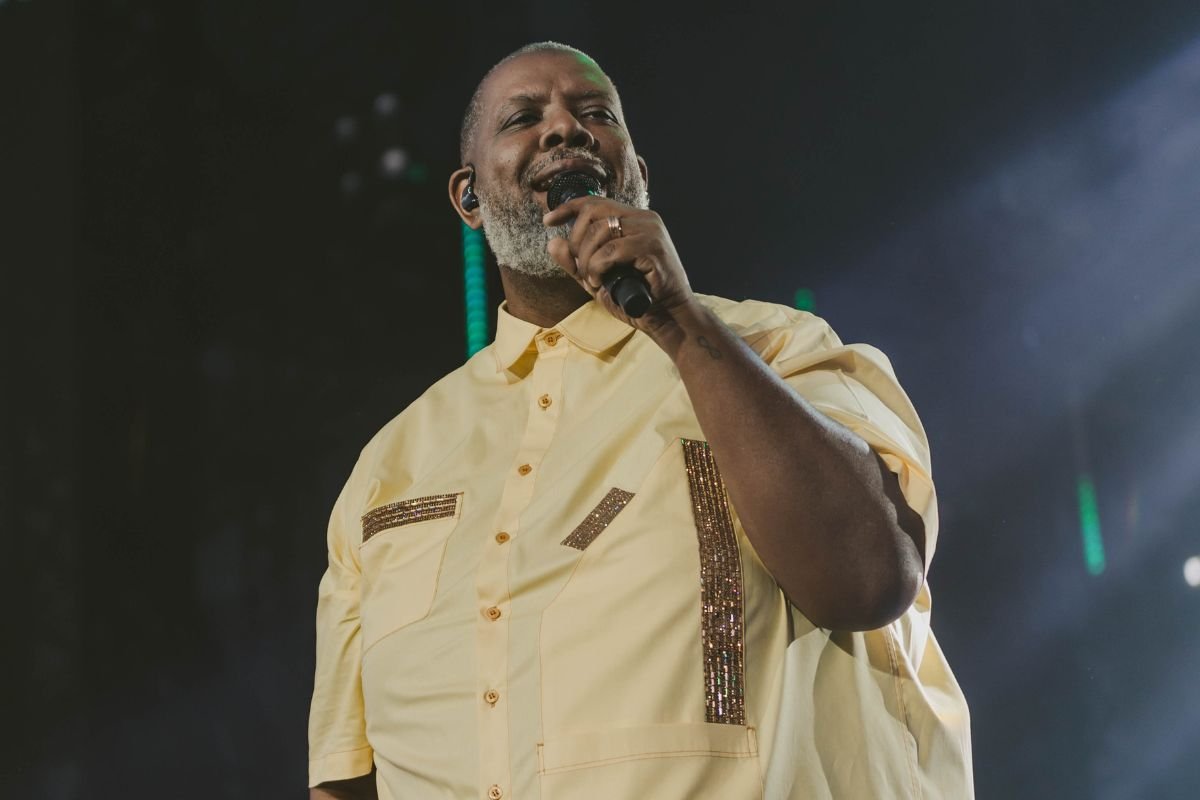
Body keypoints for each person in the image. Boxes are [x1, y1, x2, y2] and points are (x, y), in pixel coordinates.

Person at [308, 41, 973, 800]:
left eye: (595, 114)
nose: (566, 128)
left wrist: (678, 321)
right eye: (523, 119)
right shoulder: (390, 464)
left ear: (638, 177)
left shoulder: (779, 350)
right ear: (468, 198)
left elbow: (866, 581)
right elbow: (344, 778)